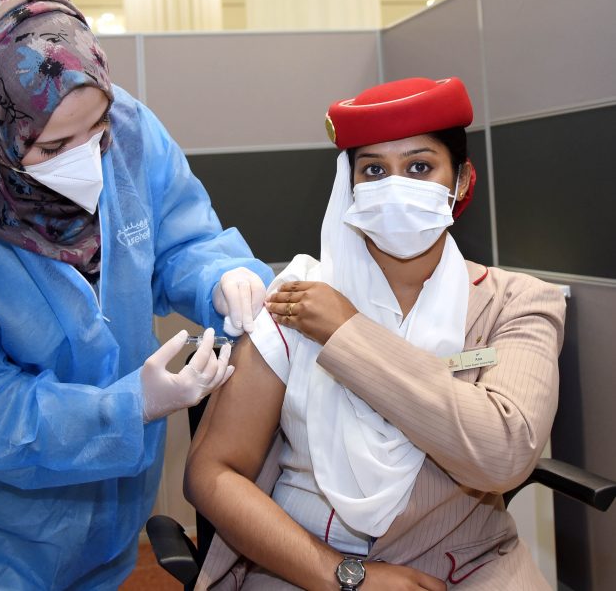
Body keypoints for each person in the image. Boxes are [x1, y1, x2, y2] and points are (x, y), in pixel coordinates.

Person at [0, 0, 273, 589]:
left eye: (98, 130)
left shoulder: (131, 130)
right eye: (54, 145)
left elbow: (179, 237)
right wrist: (129, 405)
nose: (89, 158)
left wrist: (220, 277)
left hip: (109, 498)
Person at [185, 77, 565, 590]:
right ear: (350, 187)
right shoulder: (297, 297)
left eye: (420, 166)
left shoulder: (515, 303)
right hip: (303, 564)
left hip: (469, 563)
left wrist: (347, 332)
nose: (395, 185)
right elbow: (212, 472)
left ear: (462, 181)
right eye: (374, 170)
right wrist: (347, 577)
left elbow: (502, 455)